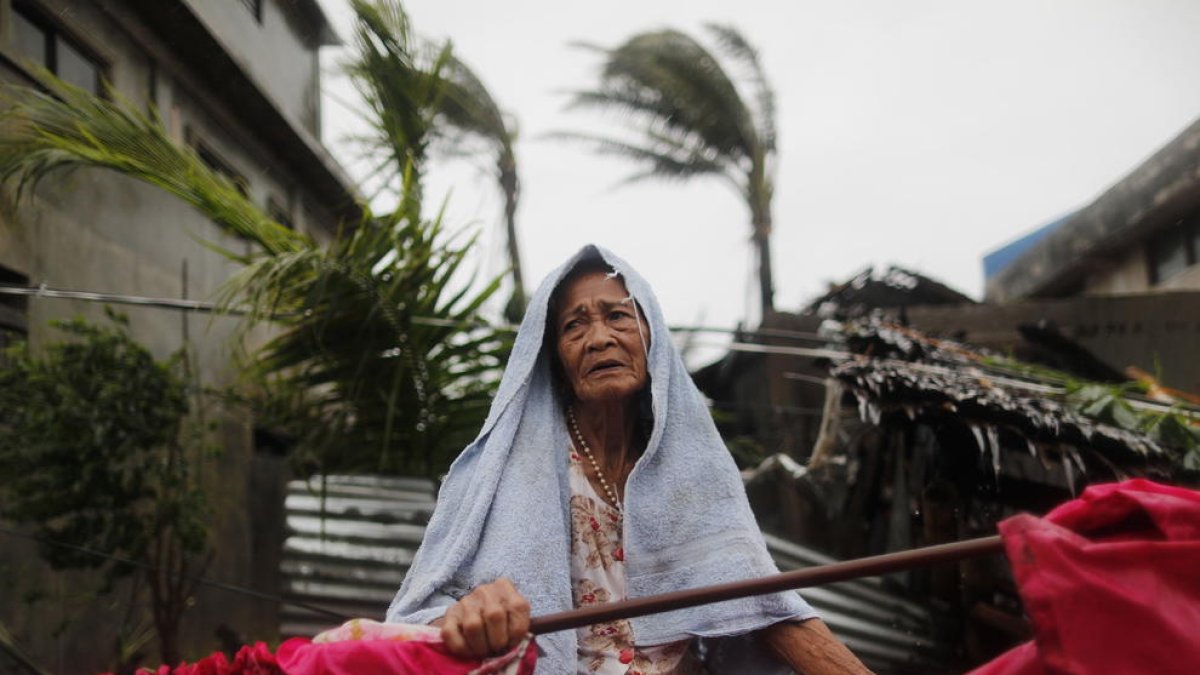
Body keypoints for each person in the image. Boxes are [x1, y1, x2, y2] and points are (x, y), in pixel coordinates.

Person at [388, 246, 870, 674]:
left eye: (617, 316)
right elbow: (416, 612)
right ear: (554, 358)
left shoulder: (689, 471)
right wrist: (468, 612)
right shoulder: (498, 477)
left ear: (650, 338)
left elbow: (759, 602)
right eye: (574, 325)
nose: (598, 338)